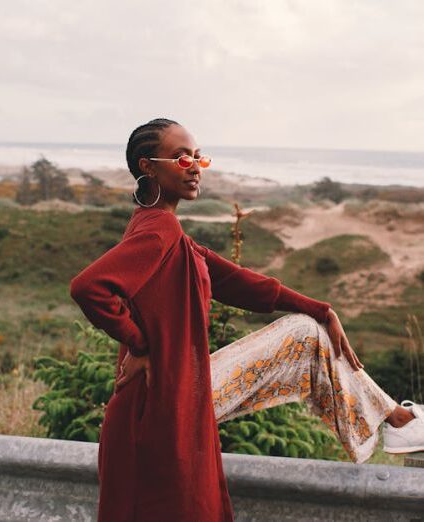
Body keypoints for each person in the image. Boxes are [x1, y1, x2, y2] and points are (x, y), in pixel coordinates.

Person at [70, 118, 423, 522]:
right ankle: (398, 421)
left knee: (307, 330)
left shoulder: (168, 232)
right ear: (148, 166)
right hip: (154, 405)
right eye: (182, 157)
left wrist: (320, 308)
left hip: (177, 389)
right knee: (303, 336)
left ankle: (396, 418)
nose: (195, 166)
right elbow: (88, 287)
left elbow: (237, 283)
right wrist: (139, 345)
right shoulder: (158, 231)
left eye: (200, 157)